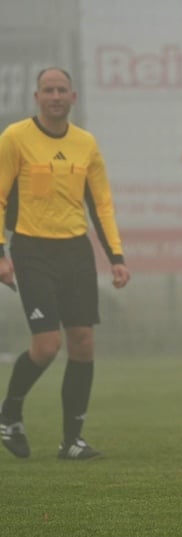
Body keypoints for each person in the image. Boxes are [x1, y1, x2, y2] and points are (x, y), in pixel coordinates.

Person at [0, 67, 130, 461]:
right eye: (48, 90)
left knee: (83, 344)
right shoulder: (15, 138)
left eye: (62, 90)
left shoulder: (85, 144)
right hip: (32, 250)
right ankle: (9, 413)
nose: (55, 96)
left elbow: (101, 204)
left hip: (75, 251)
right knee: (46, 346)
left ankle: (72, 441)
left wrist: (117, 258)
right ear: (37, 97)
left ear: (73, 97)